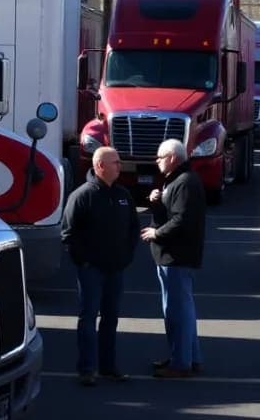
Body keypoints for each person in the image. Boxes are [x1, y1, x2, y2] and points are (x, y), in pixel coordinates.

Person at [60, 146, 140, 386]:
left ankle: (108, 366)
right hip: (91, 270)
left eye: (119, 161)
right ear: (100, 166)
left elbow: (133, 229)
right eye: (115, 161)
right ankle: (87, 368)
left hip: (116, 269)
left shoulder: (123, 195)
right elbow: (68, 234)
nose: (120, 165)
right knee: (88, 318)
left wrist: (126, 256)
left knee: (111, 317)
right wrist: (83, 261)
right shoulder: (82, 196)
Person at [141, 139, 207, 378]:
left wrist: (156, 233)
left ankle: (181, 363)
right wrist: (156, 202)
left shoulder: (185, 182)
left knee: (177, 311)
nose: (157, 162)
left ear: (171, 157)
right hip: (174, 256)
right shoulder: (176, 180)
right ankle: (190, 357)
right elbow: (171, 213)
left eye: (159, 157)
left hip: (177, 256)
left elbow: (182, 220)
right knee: (183, 310)